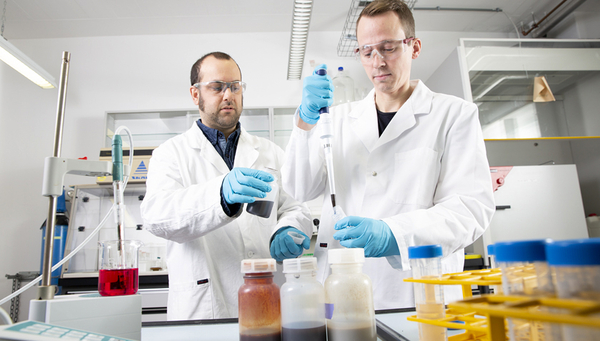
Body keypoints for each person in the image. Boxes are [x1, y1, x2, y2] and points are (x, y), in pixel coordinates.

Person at [281, 0, 495, 309]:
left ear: (414, 47)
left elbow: (469, 210)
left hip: (417, 290)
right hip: (341, 288)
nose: (377, 62)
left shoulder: (454, 115)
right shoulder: (338, 119)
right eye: (367, 52)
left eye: (388, 48)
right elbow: (299, 187)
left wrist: (393, 234)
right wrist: (305, 122)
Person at [141, 52, 313, 320]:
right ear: (195, 94)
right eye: (217, 87)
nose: (228, 95)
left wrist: (288, 228)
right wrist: (219, 196)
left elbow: (295, 206)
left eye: (235, 86)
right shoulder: (170, 154)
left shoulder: (269, 151)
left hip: (267, 299)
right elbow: (156, 215)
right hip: (204, 307)